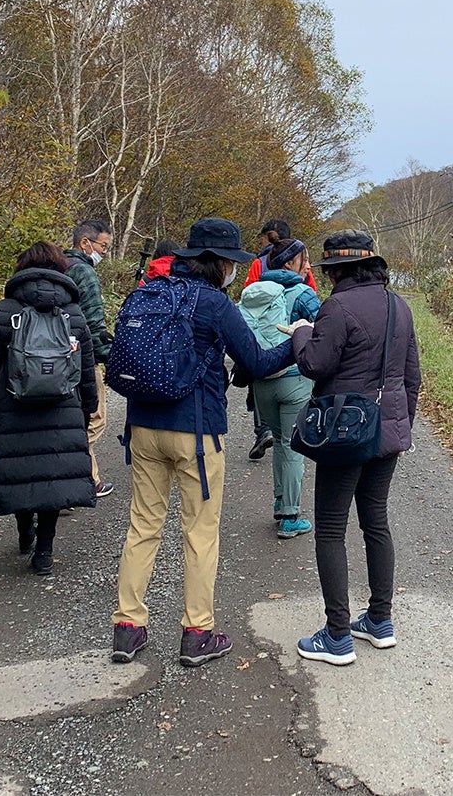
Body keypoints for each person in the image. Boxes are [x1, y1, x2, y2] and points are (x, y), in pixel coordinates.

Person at [111, 218, 296, 667]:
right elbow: (255, 360)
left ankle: (127, 628)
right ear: (223, 265)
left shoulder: (146, 293)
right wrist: (301, 339)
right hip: (196, 431)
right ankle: (197, 633)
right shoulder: (213, 303)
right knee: (199, 533)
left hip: (143, 426)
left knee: (143, 526)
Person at [287, 230, 420, 666]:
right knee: (375, 522)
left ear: (338, 270)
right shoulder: (400, 306)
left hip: (346, 434)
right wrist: (400, 428)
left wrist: (302, 332)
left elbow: (313, 364)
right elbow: (412, 378)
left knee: (329, 529)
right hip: (389, 433)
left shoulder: (337, 307)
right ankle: (380, 622)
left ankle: (337, 635)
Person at [0, 241, 98, 575]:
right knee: (52, 474)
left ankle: (25, 531)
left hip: (11, 405)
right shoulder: (74, 313)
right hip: (62, 406)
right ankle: (45, 550)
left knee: (21, 470)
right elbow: (85, 368)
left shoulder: (5, 311)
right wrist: (87, 408)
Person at [239, 238, 321, 540]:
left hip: (261, 381)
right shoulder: (303, 294)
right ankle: (290, 516)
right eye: (304, 260)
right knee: (292, 446)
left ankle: (279, 501)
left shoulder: (253, 293)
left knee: (281, 444)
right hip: (293, 380)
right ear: (289, 264)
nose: (309, 265)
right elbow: (325, 331)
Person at [244, 219, 317, 461]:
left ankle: (262, 429)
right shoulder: (301, 269)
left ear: (268, 238)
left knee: (261, 378)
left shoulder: (258, 264)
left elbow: (250, 296)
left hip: (262, 358)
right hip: (293, 369)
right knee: (290, 442)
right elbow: (314, 302)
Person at [65, 220, 115, 499]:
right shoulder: (84, 271)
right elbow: (94, 324)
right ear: (85, 243)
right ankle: (75, 474)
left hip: (52, 359)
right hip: (82, 358)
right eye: (103, 247)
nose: (104, 253)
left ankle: (90, 479)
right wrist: (110, 358)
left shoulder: (54, 265)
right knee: (94, 419)